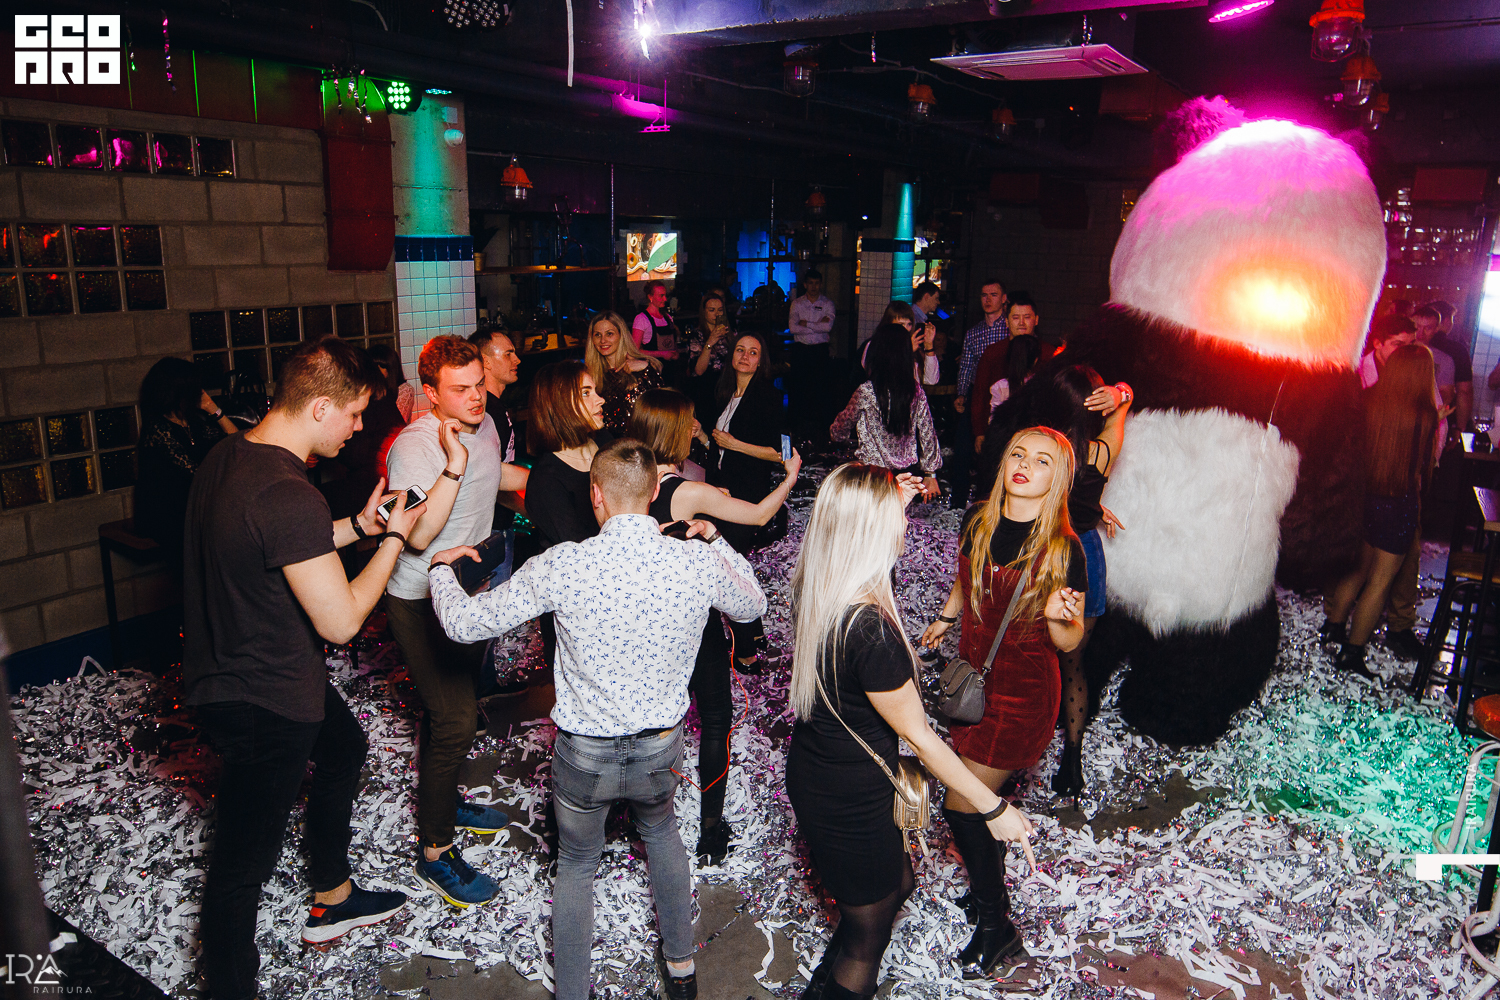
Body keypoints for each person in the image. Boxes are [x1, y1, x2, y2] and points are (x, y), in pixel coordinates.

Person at [427, 440, 768, 1000]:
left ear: (596, 496)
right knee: (663, 835)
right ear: (655, 492)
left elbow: (465, 624)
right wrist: (715, 537)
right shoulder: (695, 560)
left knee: (578, 864)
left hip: (584, 757)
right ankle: (683, 971)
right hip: (660, 750)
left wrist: (442, 571)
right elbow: (753, 604)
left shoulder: (564, 564)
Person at [183, 338, 427, 999]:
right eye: (354, 413)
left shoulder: (230, 456)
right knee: (240, 869)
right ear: (320, 407)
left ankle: (334, 893)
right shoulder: (288, 493)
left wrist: (360, 526)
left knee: (345, 747)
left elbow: (281, 546)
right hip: (262, 700)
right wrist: (396, 539)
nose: (358, 428)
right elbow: (341, 622)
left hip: (241, 663)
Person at [787, 464, 1037, 1000]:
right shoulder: (872, 633)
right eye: (896, 515)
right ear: (872, 530)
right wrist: (993, 808)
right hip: (848, 797)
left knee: (898, 883)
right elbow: (922, 739)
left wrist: (884, 495)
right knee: (866, 940)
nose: (906, 523)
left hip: (821, 772)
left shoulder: (818, 588)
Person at [920, 427, 1085, 976]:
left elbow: (1069, 643)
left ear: (1057, 480)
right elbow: (965, 581)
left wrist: (1061, 618)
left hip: (1022, 698)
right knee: (973, 797)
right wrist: (946, 619)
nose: (1025, 465)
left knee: (961, 805)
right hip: (973, 684)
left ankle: (998, 927)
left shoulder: (1063, 548)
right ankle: (987, 888)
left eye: (1042, 461)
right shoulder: (978, 521)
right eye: (1018, 454)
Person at [383, 336, 530, 907]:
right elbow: (418, 536)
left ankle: (444, 801)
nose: (475, 397)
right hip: (420, 598)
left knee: (455, 706)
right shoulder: (415, 448)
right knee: (456, 718)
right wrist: (453, 463)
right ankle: (435, 851)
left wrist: (563, 478)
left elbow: (497, 479)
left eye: (478, 385)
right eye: (459, 389)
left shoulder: (486, 423)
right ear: (431, 393)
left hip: (469, 590)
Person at [628, 388, 801, 864]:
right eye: (687, 423)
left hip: (643, 619)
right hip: (692, 621)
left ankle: (639, 817)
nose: (693, 430)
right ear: (672, 430)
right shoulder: (687, 491)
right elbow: (761, 514)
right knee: (716, 718)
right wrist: (790, 477)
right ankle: (710, 828)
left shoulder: (625, 477)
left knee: (647, 722)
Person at [982, 366, 1133, 797]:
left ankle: (1007, 755)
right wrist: (1122, 393)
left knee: (1022, 659)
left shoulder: (1039, 451)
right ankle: (1072, 757)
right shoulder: (1100, 453)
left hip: (1041, 553)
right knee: (1072, 665)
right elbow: (1122, 411)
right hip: (1086, 554)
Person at [1320, 345, 1441, 678]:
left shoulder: (1368, 400)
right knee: (1380, 584)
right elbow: (1423, 467)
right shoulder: (1424, 414)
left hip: (1364, 500)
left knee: (1357, 572)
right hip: (1398, 503)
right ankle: (1352, 653)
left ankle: (1333, 627)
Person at [701, 332, 788, 668]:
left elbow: (782, 453)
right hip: (720, 492)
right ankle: (755, 634)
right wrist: (702, 437)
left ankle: (747, 650)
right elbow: (719, 450)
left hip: (747, 495)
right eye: (740, 350)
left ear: (761, 360)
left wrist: (735, 444)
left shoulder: (769, 396)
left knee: (729, 567)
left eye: (753, 352)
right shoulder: (724, 393)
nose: (745, 356)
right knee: (732, 564)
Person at [134, 357, 239, 555]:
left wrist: (213, 409)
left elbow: (237, 443)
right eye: (195, 387)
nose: (200, 392)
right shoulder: (158, 429)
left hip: (195, 505)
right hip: (168, 513)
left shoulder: (192, 423)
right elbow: (196, 475)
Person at [831, 324, 941, 500]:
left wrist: (837, 435)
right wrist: (930, 473)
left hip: (872, 475)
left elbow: (842, 425)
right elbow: (927, 432)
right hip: (906, 475)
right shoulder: (915, 391)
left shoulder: (867, 391)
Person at [526, 361, 613, 551]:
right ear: (559, 404)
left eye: (595, 391)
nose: (600, 400)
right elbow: (579, 551)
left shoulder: (605, 443)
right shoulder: (546, 479)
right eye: (586, 393)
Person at [468, 326, 526, 588]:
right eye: (508, 354)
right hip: (489, 529)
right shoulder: (486, 411)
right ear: (486, 362)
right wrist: (531, 508)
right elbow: (488, 475)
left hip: (498, 524)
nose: (517, 360)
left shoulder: (496, 406)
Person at [970, 294, 1053, 451]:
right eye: (1015, 317)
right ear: (1007, 322)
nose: (1021, 323)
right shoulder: (993, 353)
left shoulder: (1049, 354)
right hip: (999, 433)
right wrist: (979, 432)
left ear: (1036, 320)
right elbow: (980, 394)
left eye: (1027, 317)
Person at [952, 280, 1009, 507]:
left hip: (1003, 396)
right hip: (978, 394)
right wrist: (961, 394)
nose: (988, 299)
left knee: (997, 449)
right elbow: (966, 367)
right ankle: (958, 503)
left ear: (1004, 299)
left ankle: (993, 502)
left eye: (993, 295)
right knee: (963, 448)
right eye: (984, 295)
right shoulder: (974, 333)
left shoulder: (1010, 328)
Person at [586, 310, 665, 434]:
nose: (603, 340)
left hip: (641, 441)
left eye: (609, 334)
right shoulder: (589, 377)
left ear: (621, 335)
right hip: (606, 443)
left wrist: (647, 368)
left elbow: (664, 408)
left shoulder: (642, 369)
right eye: (597, 335)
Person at [788, 269, 835, 438]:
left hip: (819, 351)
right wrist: (817, 325)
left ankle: (819, 427)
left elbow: (827, 327)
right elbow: (793, 328)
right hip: (801, 350)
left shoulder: (828, 304)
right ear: (805, 284)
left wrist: (806, 323)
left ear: (820, 284)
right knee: (798, 388)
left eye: (817, 283)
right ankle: (797, 426)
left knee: (820, 388)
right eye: (810, 283)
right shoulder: (797, 304)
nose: (814, 287)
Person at [1423, 300, 1473, 442]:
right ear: (1444, 321)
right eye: (1452, 319)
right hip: (1443, 417)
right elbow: (1464, 391)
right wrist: (1459, 428)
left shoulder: (1408, 344)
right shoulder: (1457, 350)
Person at [632, 279, 680, 365]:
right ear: (650, 297)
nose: (665, 299)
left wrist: (676, 353)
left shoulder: (667, 317)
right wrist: (661, 354)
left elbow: (673, 343)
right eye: (661, 296)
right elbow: (634, 351)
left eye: (665, 295)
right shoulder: (641, 319)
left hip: (671, 367)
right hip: (653, 367)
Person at [689, 291, 734, 379]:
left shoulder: (730, 333)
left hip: (728, 382)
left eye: (720, 310)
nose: (717, 314)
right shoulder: (696, 336)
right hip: (706, 382)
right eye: (712, 310)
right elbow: (698, 371)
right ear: (704, 311)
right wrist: (709, 343)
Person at [368, 342, 415, 424]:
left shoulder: (404, 390)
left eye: (378, 367)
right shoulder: (369, 389)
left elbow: (397, 423)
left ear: (389, 369)